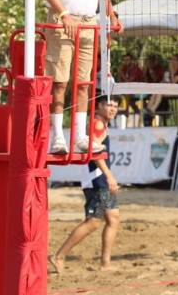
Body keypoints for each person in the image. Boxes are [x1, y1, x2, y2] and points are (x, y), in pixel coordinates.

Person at [37, 0, 122, 154]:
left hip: (89, 22)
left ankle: (80, 137)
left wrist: (111, 15)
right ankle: (58, 137)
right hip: (62, 20)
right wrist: (63, 14)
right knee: (60, 82)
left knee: (84, 82)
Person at [49, 97, 121, 273]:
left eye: (116, 106)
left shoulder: (100, 123)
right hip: (97, 180)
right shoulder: (97, 124)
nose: (113, 109)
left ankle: (105, 263)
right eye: (109, 105)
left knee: (113, 218)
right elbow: (94, 152)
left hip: (99, 179)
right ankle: (59, 256)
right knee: (93, 222)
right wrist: (109, 176)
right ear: (99, 106)